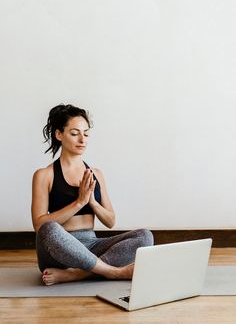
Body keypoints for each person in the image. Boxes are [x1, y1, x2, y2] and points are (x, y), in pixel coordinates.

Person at [31, 103, 154, 286]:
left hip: (91, 245)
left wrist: (93, 203)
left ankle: (77, 274)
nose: (82, 139)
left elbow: (111, 221)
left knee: (145, 236)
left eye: (86, 133)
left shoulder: (96, 173)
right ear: (59, 135)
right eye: (74, 133)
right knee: (49, 228)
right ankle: (113, 272)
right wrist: (79, 202)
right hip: (58, 250)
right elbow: (39, 225)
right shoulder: (44, 175)